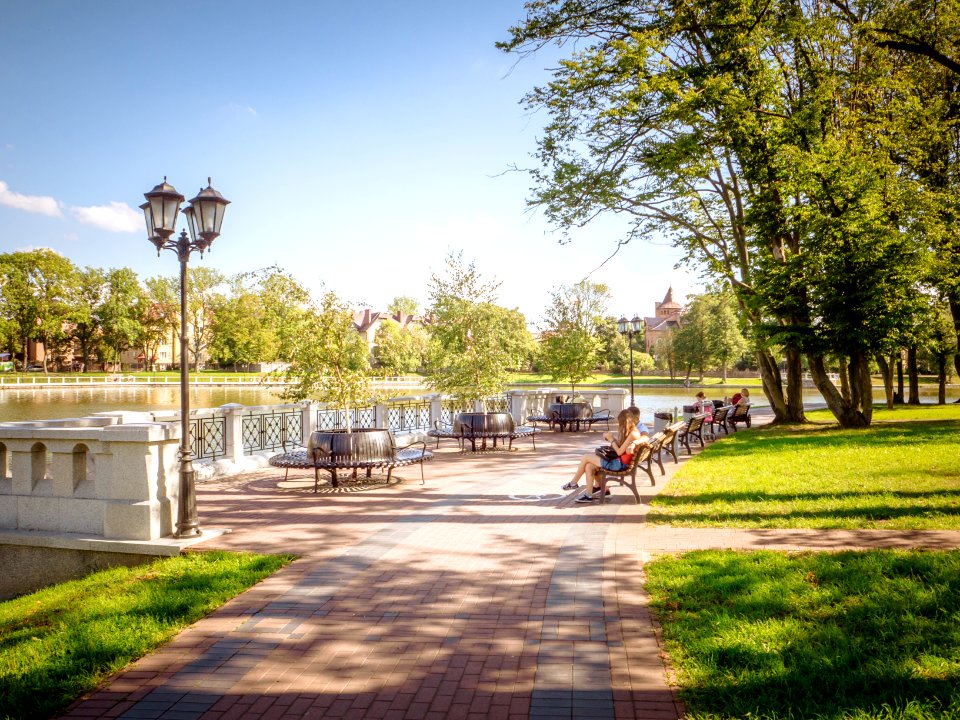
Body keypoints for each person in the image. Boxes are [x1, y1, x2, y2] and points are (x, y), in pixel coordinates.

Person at [561, 407, 649, 503]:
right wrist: (611, 438)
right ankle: (590, 495)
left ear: (624, 422)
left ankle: (573, 483)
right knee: (589, 466)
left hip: (619, 465)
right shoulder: (633, 432)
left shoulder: (633, 434)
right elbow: (621, 446)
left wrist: (611, 440)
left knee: (586, 457)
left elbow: (619, 452)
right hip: (620, 462)